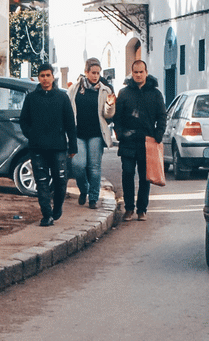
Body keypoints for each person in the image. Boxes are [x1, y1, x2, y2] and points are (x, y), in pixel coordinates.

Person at [19, 63, 76, 226]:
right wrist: (31, 134)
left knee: (60, 180)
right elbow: (23, 120)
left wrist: (73, 146)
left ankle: (57, 207)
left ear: (53, 77)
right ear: (38, 77)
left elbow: (70, 124)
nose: (45, 79)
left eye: (48, 75)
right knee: (42, 181)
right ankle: (47, 214)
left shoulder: (62, 97)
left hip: (58, 147)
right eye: (42, 75)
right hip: (37, 147)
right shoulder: (31, 98)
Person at [114, 57, 167, 221]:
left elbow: (162, 117)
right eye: (135, 72)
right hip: (128, 142)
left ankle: (142, 209)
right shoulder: (124, 93)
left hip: (148, 142)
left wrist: (158, 135)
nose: (138, 75)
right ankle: (129, 209)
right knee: (127, 174)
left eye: (141, 72)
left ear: (146, 73)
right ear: (132, 73)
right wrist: (120, 133)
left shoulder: (156, 94)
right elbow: (117, 117)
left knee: (145, 177)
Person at [72, 58, 114, 208]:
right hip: (78, 134)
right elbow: (69, 110)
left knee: (94, 168)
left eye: (98, 73)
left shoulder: (105, 90)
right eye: (93, 72)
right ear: (86, 72)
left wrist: (110, 105)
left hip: (96, 134)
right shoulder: (75, 89)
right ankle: (84, 189)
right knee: (78, 165)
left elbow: (108, 115)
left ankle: (93, 199)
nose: (96, 76)